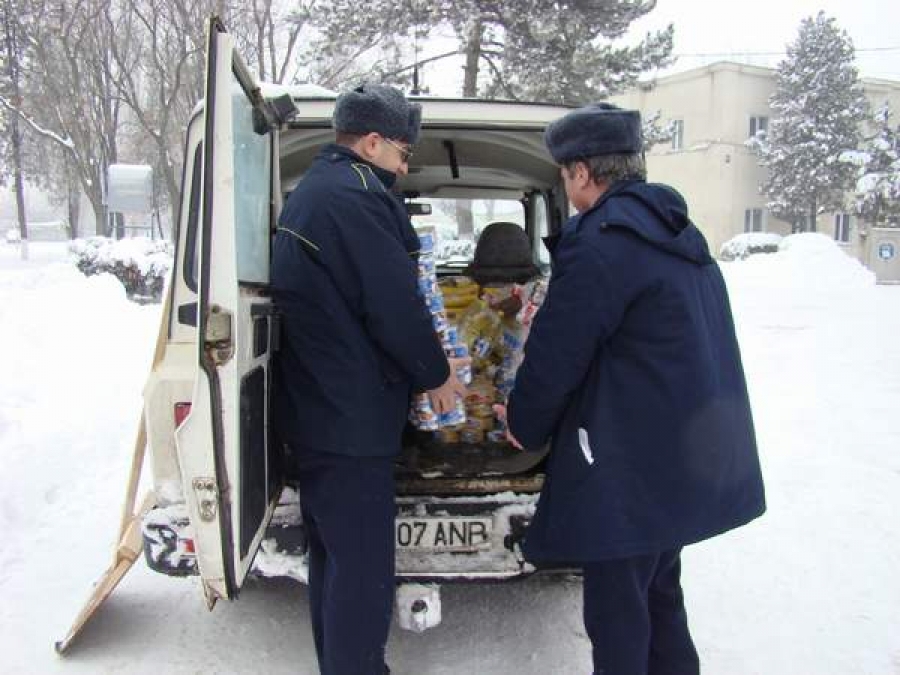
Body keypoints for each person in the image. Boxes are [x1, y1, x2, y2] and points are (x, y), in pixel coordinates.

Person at [500, 103, 766, 675]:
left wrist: (521, 423)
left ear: (580, 172)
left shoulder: (601, 242)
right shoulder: (675, 232)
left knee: (619, 617)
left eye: (565, 172)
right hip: (675, 457)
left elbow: (556, 356)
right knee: (660, 598)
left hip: (626, 464)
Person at [270, 84, 466, 675]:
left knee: (333, 557)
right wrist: (436, 375)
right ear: (373, 142)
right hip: (348, 420)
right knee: (362, 567)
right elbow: (392, 303)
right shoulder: (354, 196)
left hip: (321, 413)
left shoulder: (314, 190)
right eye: (402, 155)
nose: (404, 169)